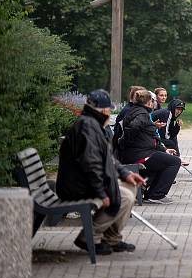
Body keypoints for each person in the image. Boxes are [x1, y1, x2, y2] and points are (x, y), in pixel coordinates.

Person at [56, 89, 146, 255]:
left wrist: (126, 174)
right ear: (103, 110)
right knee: (124, 197)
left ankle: (112, 238)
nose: (110, 112)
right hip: (76, 185)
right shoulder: (88, 127)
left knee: (130, 186)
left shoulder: (92, 124)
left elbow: (108, 159)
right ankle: (89, 237)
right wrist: (101, 192)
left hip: (82, 181)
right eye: (109, 110)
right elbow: (91, 165)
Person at [118, 89, 181, 204]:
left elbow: (151, 138)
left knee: (166, 159)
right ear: (148, 102)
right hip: (139, 154)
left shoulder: (140, 112)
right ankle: (156, 195)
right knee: (175, 162)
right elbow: (132, 129)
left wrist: (165, 150)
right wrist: (129, 140)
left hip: (143, 151)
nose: (154, 103)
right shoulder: (141, 114)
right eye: (153, 101)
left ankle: (150, 193)